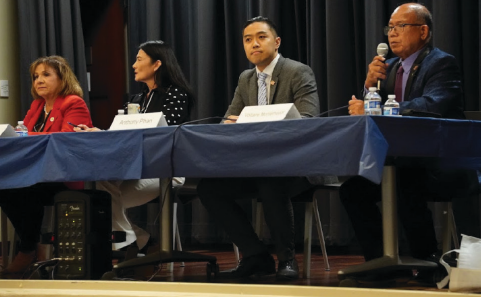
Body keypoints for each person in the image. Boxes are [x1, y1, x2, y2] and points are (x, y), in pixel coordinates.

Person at [343, 3, 475, 262]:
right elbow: (371, 111)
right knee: (353, 190)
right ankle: (379, 261)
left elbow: (432, 105)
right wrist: (368, 86)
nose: (392, 34)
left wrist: (377, 108)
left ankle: (425, 258)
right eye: (390, 27)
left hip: (442, 163)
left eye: (401, 26)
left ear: (423, 31)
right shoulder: (388, 67)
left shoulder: (441, 63)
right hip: (400, 161)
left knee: (404, 181)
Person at [196, 16, 320, 280]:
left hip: (295, 164)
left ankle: (287, 259)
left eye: (261, 37)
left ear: (276, 42)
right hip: (253, 164)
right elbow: (227, 121)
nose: (254, 44)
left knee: (270, 180)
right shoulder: (246, 79)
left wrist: (258, 123)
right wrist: (232, 124)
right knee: (209, 188)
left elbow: (309, 121)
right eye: (248, 39)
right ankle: (256, 255)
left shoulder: (297, 71)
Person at [75, 40, 194, 251]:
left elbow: (165, 134)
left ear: (157, 64)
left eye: (139, 60)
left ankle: (133, 243)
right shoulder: (137, 99)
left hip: (165, 170)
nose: (133, 65)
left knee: (105, 201)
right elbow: (122, 135)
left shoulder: (176, 94)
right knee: (100, 187)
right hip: (135, 168)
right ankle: (136, 241)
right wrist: (100, 133)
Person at [0, 55, 92, 278]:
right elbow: (23, 137)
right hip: (36, 174)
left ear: (62, 78)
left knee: (22, 189)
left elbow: (68, 141)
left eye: (46, 75)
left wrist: (26, 136)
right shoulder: (37, 105)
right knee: (5, 184)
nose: (39, 80)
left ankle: (28, 249)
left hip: (63, 176)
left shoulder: (73, 103)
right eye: (35, 76)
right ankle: (32, 247)